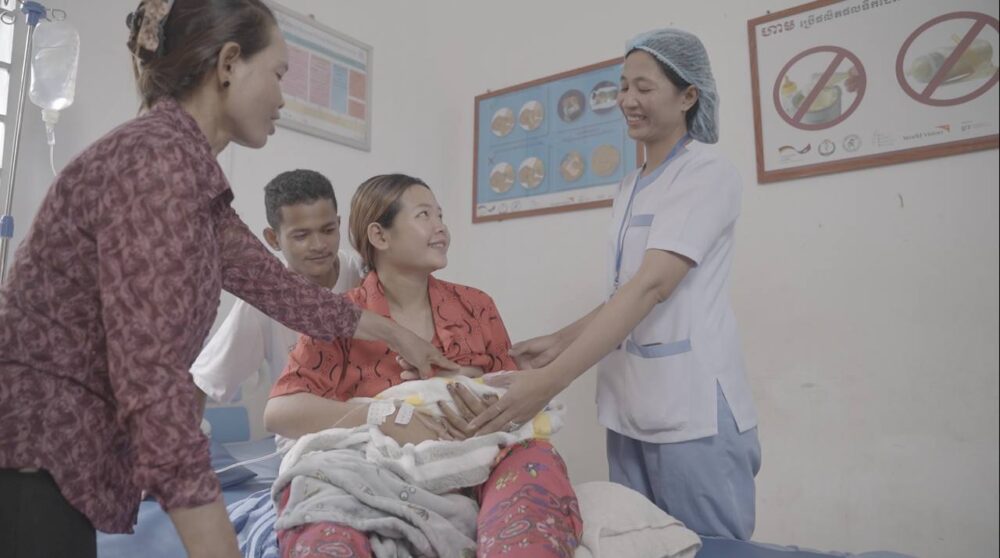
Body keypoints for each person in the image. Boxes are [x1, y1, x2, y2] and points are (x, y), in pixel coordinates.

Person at [0, 3, 453, 557]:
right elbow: (157, 392)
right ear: (230, 64)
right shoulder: (155, 168)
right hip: (30, 452)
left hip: (59, 461)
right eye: (279, 74)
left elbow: (288, 293)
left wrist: (402, 337)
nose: (282, 97)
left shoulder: (192, 181)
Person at [469, 28, 762, 540]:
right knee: (637, 544)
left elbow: (652, 287)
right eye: (623, 86)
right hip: (629, 407)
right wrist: (559, 342)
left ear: (688, 96)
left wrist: (551, 380)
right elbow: (624, 291)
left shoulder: (706, 174)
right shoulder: (629, 186)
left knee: (711, 549)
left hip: (691, 407)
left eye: (644, 87)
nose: (628, 99)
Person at [264, 174, 582, 557]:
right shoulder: (340, 318)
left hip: (478, 460)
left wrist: (466, 383)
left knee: (536, 459)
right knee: (320, 500)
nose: (440, 227)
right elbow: (280, 411)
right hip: (375, 467)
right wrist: (383, 416)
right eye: (424, 215)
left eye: (440, 215)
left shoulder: (476, 306)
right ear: (380, 236)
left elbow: (513, 396)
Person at [190, 169, 365, 410]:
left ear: (339, 224)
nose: (318, 245)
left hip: (374, 420)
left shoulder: (361, 273)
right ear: (273, 239)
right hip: (305, 429)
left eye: (328, 230)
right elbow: (204, 380)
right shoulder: (261, 300)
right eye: (301, 236)